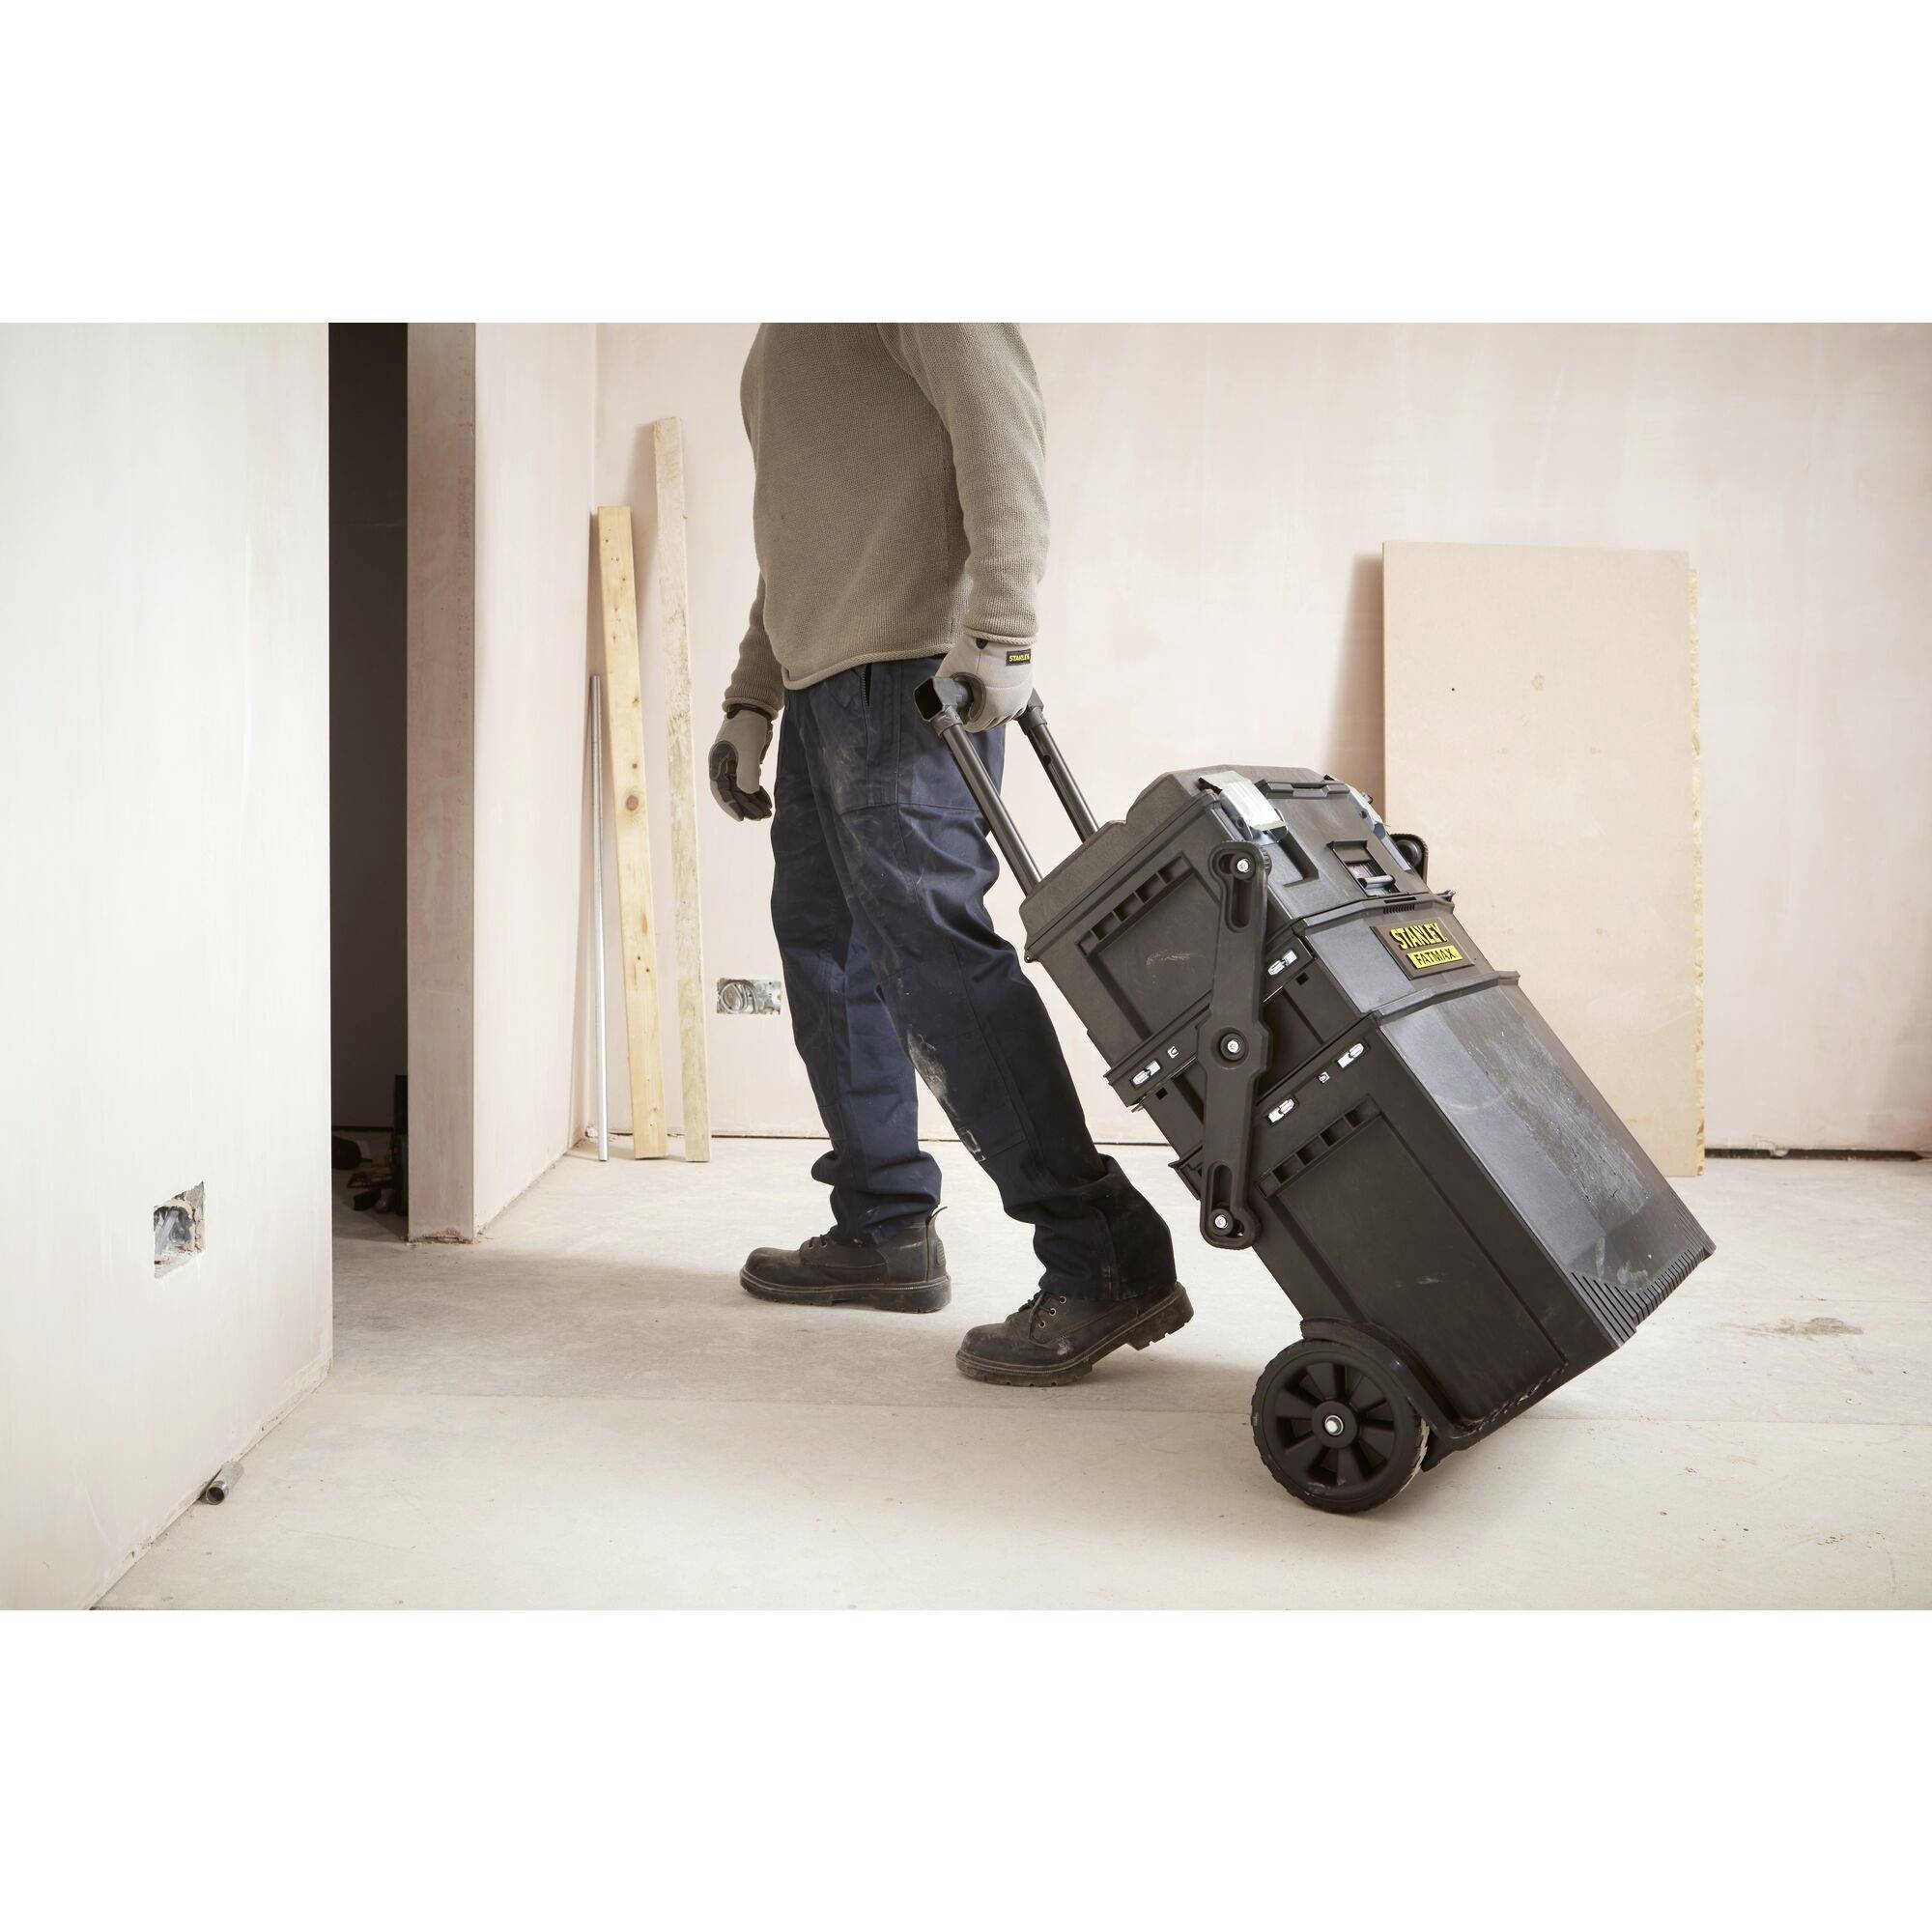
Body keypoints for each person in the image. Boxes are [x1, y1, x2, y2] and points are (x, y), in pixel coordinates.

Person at [707, 324, 1188, 1386]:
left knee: (941, 972)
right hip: (822, 684)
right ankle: (883, 1226)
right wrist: (754, 692)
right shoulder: (782, 332)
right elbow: (798, 537)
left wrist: (1005, 630)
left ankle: (1100, 1251)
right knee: (829, 966)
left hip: (910, 677)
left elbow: (998, 424)